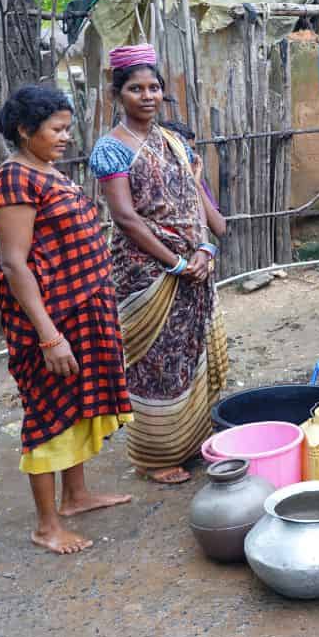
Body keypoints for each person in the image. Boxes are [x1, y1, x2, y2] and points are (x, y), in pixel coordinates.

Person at [0, 86, 133, 554]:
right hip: (50, 319)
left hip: (82, 312)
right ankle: (46, 526)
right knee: (48, 411)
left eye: (68, 128)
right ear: (25, 130)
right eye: (56, 129)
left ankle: (75, 496)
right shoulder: (13, 180)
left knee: (75, 400)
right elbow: (15, 264)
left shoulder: (46, 171)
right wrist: (49, 337)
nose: (66, 137)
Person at [90, 44, 228, 485]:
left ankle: (192, 441)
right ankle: (155, 457)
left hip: (194, 267)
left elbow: (195, 201)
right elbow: (126, 217)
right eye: (136, 88)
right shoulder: (111, 149)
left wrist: (204, 250)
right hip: (147, 274)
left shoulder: (174, 142)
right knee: (154, 363)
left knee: (190, 352)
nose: (147, 96)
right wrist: (175, 263)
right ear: (118, 94)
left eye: (153, 87)